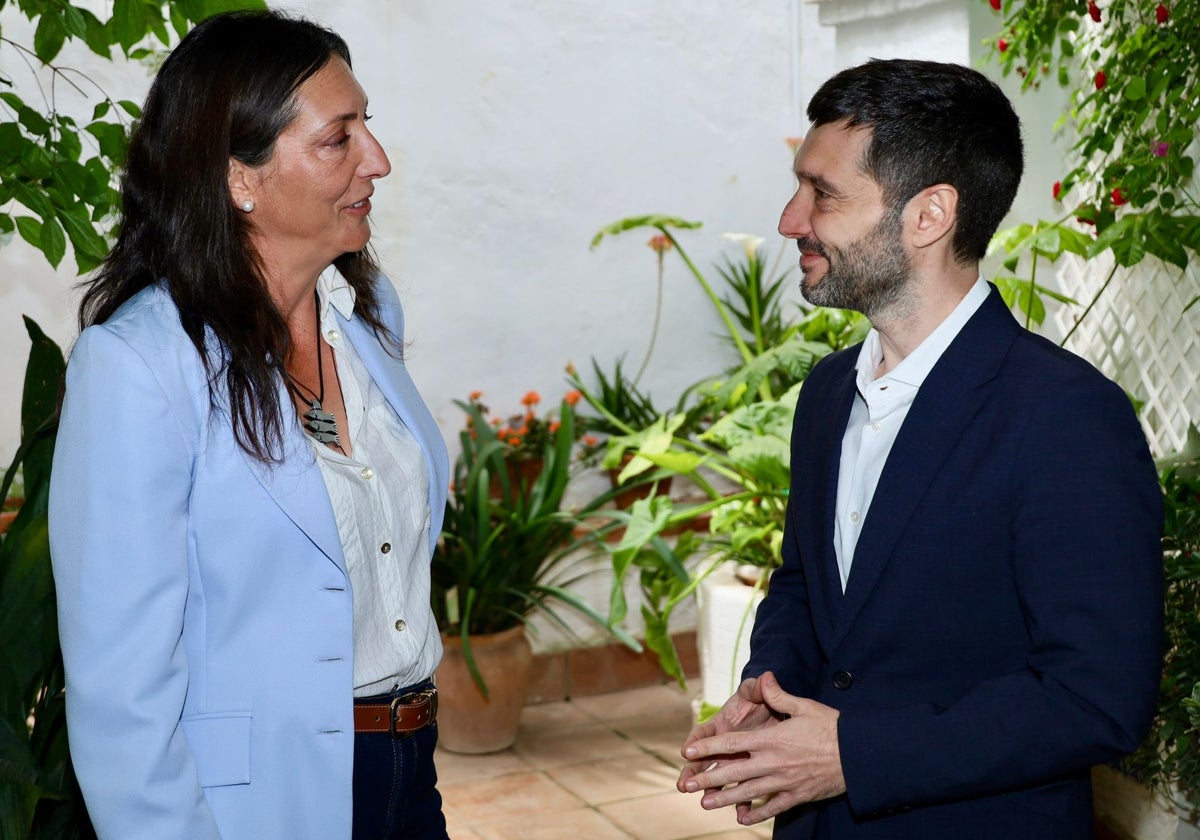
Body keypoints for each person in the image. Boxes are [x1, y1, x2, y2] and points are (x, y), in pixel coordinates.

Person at [677, 58, 1163, 839]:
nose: (789, 219)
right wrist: (766, 690)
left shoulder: (1066, 417)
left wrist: (854, 754)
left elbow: (1095, 697)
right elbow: (804, 587)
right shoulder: (827, 393)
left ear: (929, 215)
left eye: (823, 193)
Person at [48, 11, 450, 840]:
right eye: (339, 138)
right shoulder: (141, 366)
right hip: (255, 802)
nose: (378, 160)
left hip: (411, 770)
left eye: (366, 126)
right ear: (240, 178)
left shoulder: (368, 317)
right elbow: (123, 693)